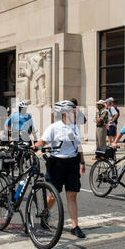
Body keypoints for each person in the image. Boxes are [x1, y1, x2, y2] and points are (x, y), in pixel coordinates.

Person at [32, 100, 86, 238]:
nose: (74, 114)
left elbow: (78, 145)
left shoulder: (75, 127)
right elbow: (43, 141)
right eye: (71, 112)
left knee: (72, 195)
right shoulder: (54, 127)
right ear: (64, 113)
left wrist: (82, 162)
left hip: (72, 164)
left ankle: (75, 226)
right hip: (57, 164)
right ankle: (45, 214)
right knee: (53, 195)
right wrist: (35, 147)